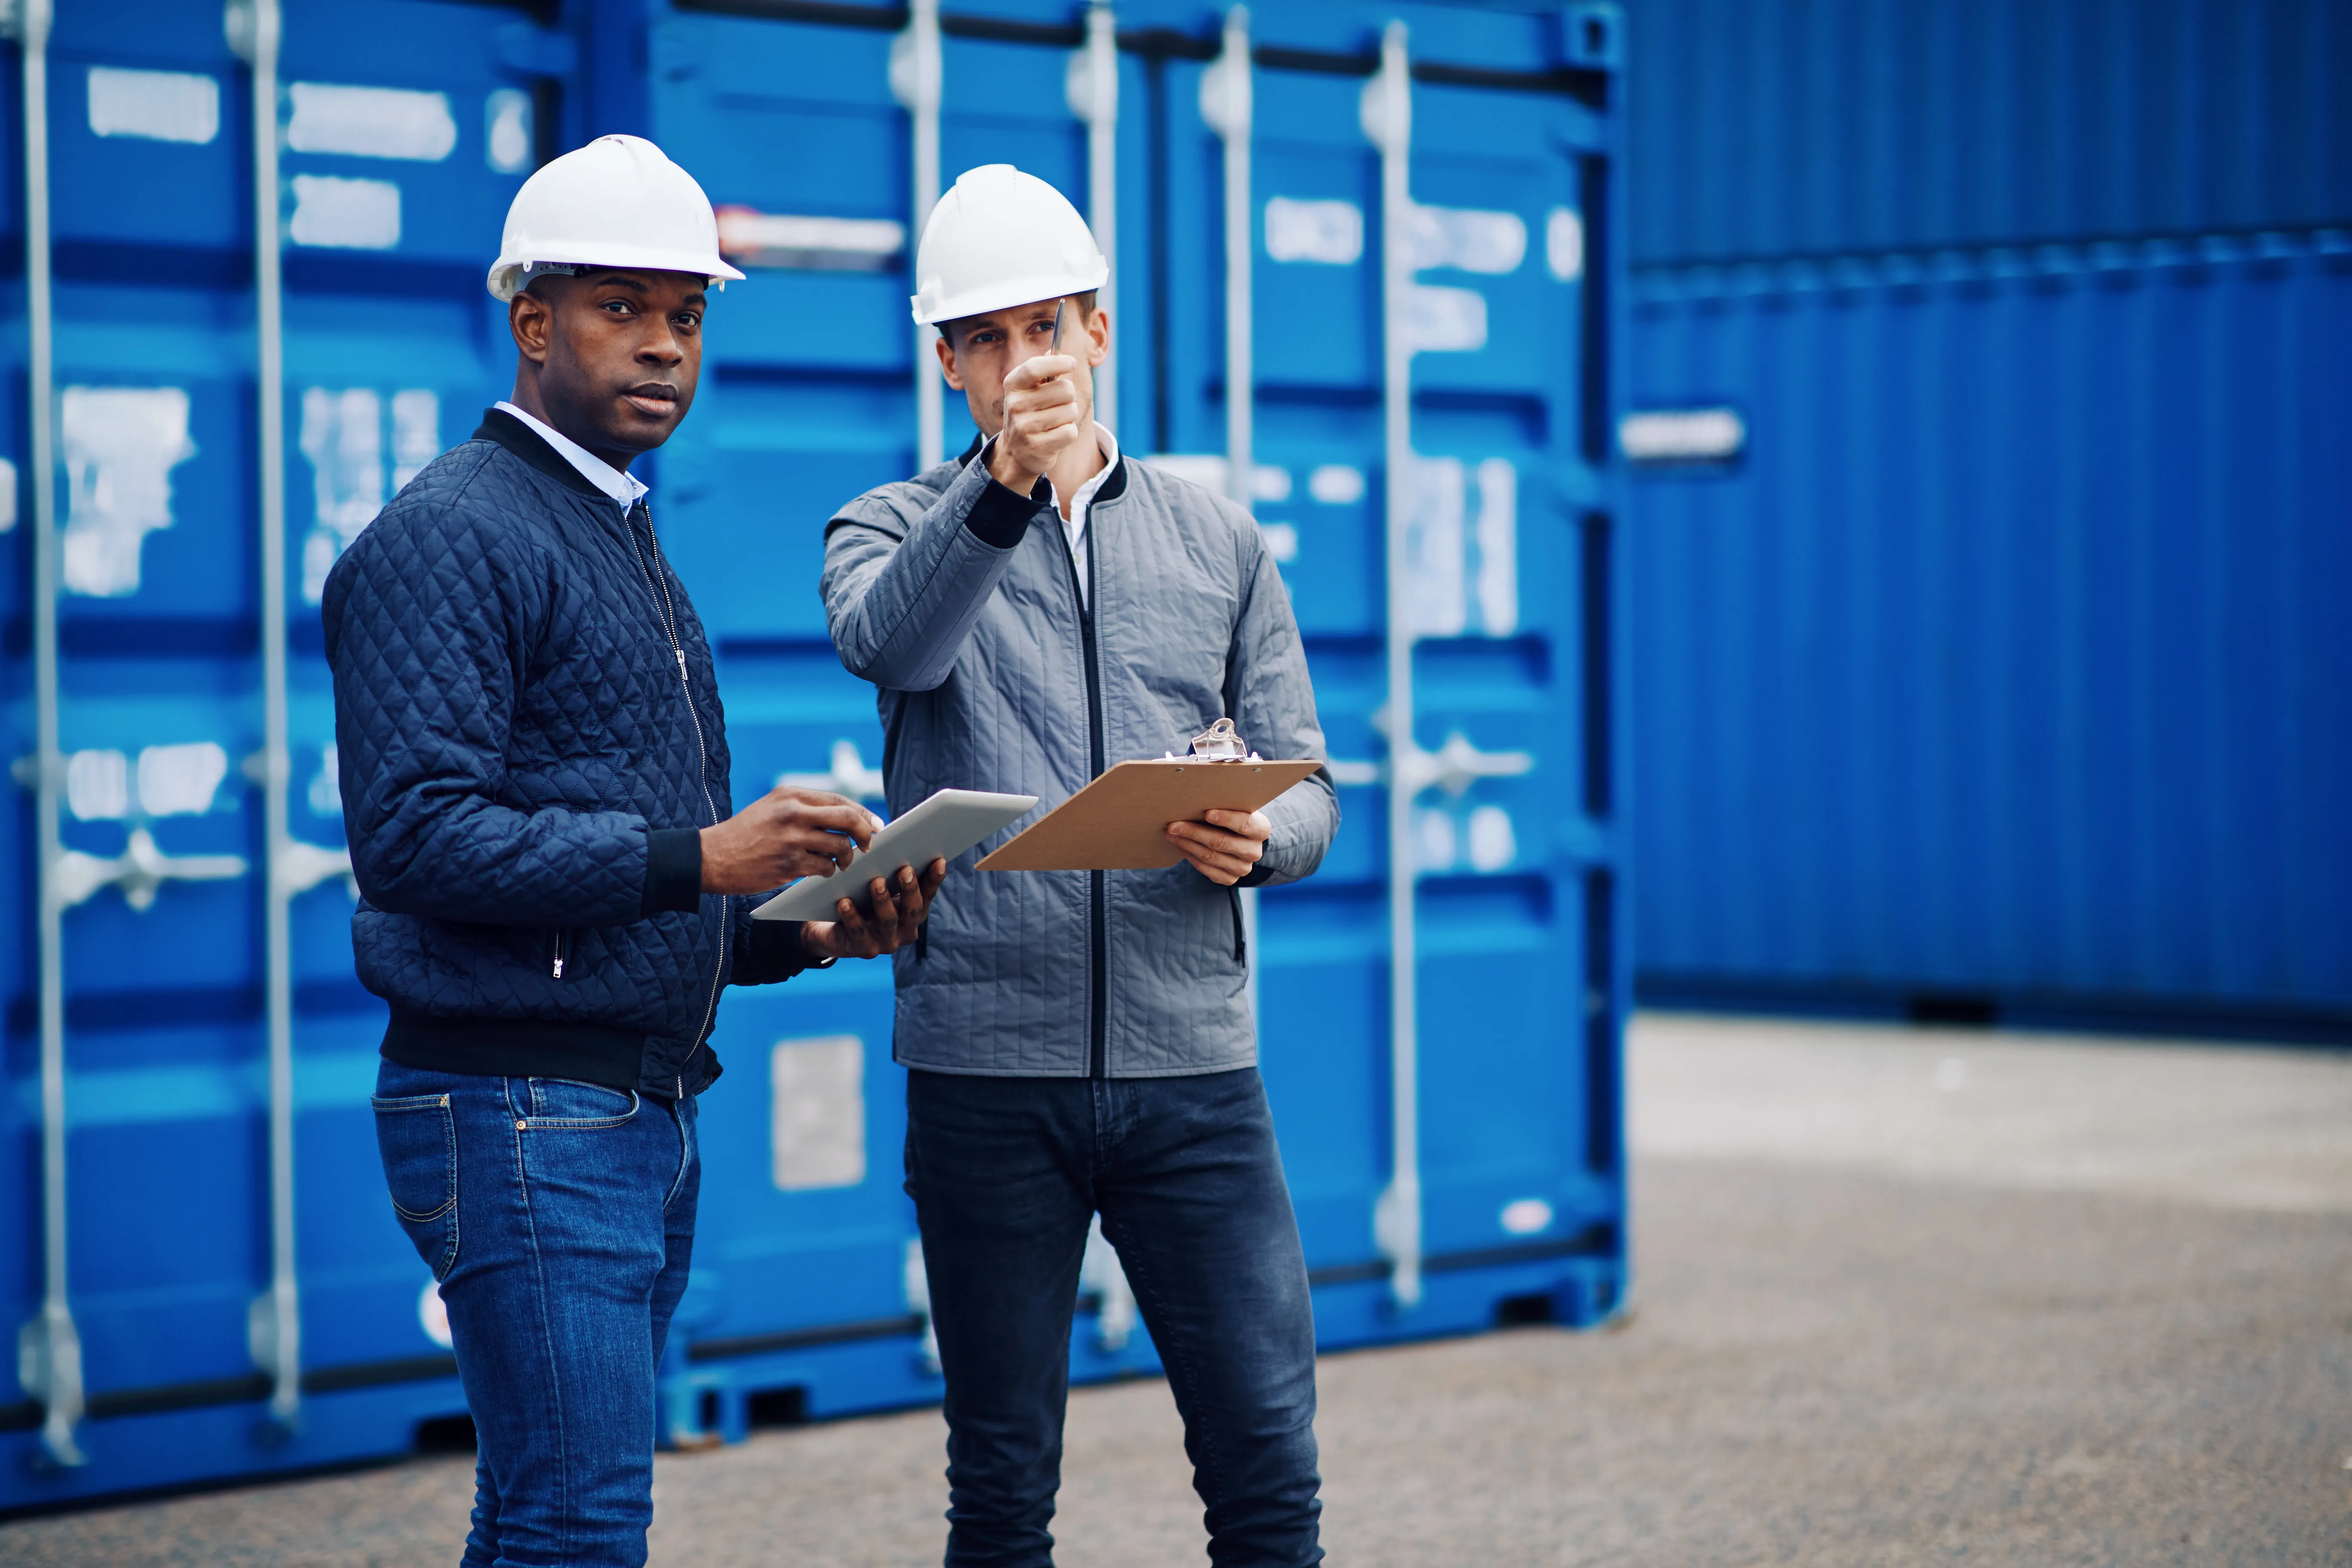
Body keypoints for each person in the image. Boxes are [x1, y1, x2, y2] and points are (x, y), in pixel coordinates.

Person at [323, 134, 946, 1568]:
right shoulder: (457, 535)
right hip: (522, 1109)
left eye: (690, 314)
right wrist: (705, 860)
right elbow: (417, 838)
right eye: (622, 308)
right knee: (576, 1525)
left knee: (550, 1515)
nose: (664, 346)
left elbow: (637, 866)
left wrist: (803, 928)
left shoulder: (607, 525)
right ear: (533, 320)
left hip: (625, 1107)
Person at [822, 162, 1339, 1567]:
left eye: (1043, 329)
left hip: (1197, 1081)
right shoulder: (883, 528)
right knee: (1000, 1486)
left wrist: (1259, 837)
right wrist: (996, 494)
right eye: (983, 339)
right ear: (945, 363)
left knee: (1266, 1470)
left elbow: (1310, 781)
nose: (1019, 365)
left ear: (1098, 334)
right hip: (987, 1075)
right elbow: (896, 649)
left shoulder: (1216, 536)